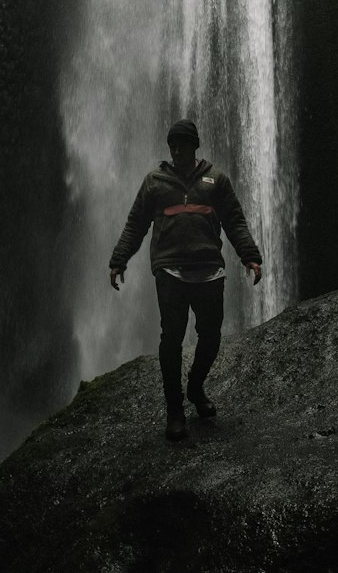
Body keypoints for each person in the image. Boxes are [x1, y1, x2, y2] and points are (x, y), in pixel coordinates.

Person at [108, 118, 263, 441]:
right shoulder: (155, 181)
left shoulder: (215, 179)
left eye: (182, 144)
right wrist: (119, 260)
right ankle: (175, 409)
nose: (176, 150)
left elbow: (234, 220)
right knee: (172, 339)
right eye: (172, 145)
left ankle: (195, 386)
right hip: (170, 271)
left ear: (195, 145)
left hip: (209, 269)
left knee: (211, 336)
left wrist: (250, 255)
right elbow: (136, 224)